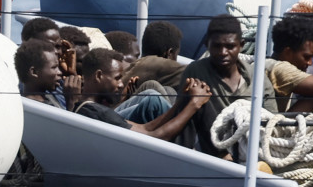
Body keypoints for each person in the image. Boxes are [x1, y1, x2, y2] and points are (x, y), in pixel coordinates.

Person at [181, 14, 278, 157]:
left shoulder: (258, 80)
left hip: (252, 152)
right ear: (207, 44)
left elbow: (273, 123)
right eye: (217, 46)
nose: (223, 53)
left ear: (241, 45)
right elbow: (183, 115)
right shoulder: (196, 71)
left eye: (230, 46)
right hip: (212, 153)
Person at [74, 49, 211, 142]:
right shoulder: (99, 114)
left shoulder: (88, 109)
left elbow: (146, 127)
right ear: (98, 76)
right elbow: (154, 136)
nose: (121, 84)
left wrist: (182, 102)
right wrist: (194, 104)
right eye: (117, 78)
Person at [14, 39, 80, 109]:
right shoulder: (34, 108)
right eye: (54, 67)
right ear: (34, 72)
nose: (60, 72)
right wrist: (71, 102)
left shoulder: (49, 99)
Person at [122, 20, 186, 91]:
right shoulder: (158, 66)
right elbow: (192, 72)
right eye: (176, 55)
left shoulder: (131, 69)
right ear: (169, 53)